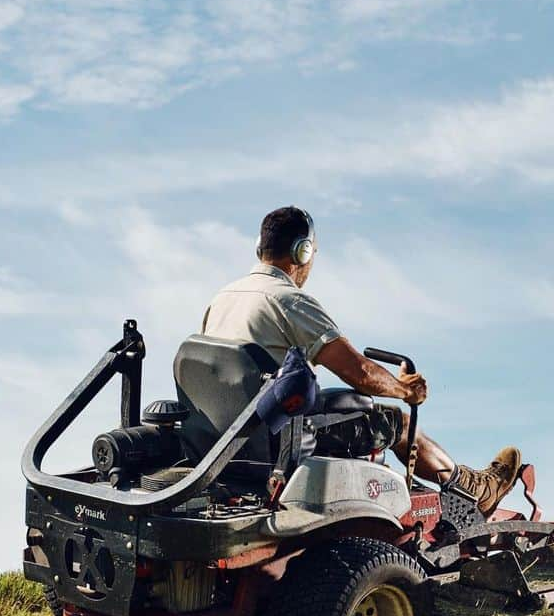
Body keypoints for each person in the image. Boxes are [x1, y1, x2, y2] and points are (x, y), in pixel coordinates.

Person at [200, 205, 521, 516]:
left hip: (227, 441)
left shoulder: (223, 298)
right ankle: (474, 490)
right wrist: (405, 390)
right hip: (279, 444)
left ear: (260, 247)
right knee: (397, 422)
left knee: (345, 402)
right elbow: (361, 373)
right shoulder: (289, 301)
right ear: (304, 252)